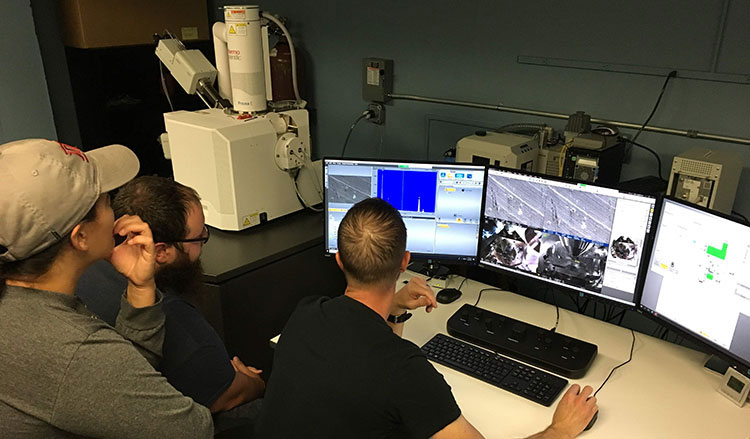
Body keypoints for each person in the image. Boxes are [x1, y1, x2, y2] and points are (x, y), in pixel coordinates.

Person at [255, 197, 598, 439]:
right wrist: (560, 430)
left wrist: (396, 308)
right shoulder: (405, 371)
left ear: (340, 261)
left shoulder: (306, 313)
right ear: (405, 261)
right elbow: (381, 365)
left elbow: (364, 354)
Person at [0, 139, 212, 438]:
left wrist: (140, 287)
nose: (115, 212)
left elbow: (112, 385)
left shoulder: (20, 303)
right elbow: (192, 429)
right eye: (105, 202)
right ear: (81, 237)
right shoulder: (73, 352)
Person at [76, 176, 266, 416]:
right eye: (199, 237)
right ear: (162, 252)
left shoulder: (82, 267)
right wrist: (254, 383)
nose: (204, 241)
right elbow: (227, 397)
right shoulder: (176, 319)